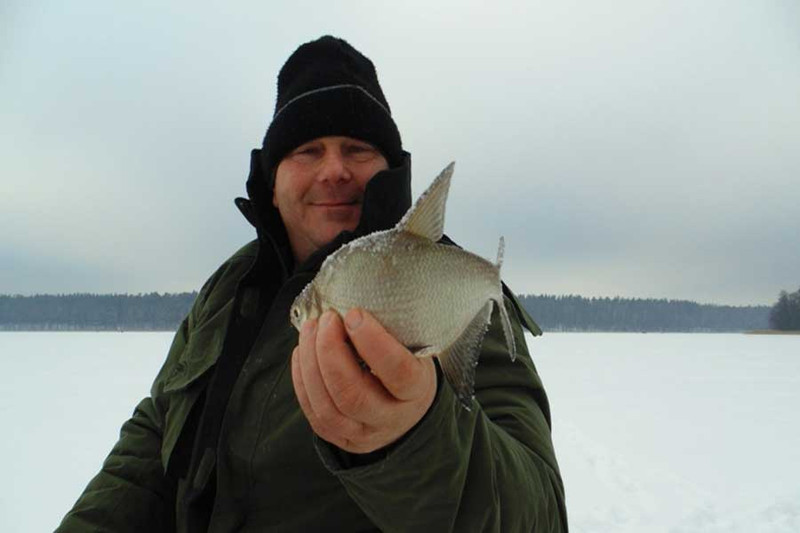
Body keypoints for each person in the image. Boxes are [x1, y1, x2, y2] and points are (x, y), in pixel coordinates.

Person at [58, 36, 568, 532]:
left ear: (392, 171)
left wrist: (416, 438)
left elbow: (539, 516)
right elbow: (154, 439)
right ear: (272, 181)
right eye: (307, 149)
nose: (334, 170)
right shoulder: (228, 289)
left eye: (357, 148)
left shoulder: (454, 287)